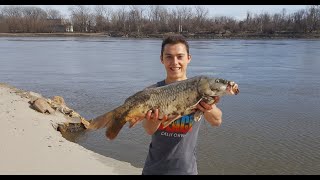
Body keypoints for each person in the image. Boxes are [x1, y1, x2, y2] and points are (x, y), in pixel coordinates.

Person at [141, 34, 223, 175]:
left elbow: (217, 121)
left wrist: (207, 108)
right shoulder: (151, 93)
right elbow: (149, 130)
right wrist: (157, 119)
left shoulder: (199, 89)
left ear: (188, 58)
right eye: (169, 57)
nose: (175, 62)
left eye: (180, 56)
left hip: (186, 171)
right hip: (154, 170)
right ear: (162, 59)